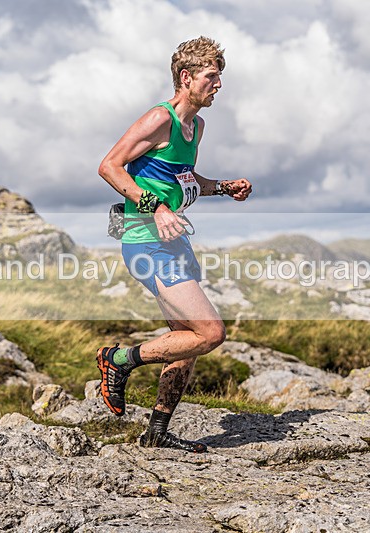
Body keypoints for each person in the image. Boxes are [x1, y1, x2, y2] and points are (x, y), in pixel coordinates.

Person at [97, 36, 252, 452]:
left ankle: (157, 432)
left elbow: (185, 180)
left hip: (175, 241)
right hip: (145, 241)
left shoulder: (196, 127)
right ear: (186, 77)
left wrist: (221, 187)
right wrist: (157, 208)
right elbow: (109, 166)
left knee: (186, 338)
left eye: (220, 77)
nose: (218, 85)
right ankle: (119, 360)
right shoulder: (158, 118)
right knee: (210, 331)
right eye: (211, 77)